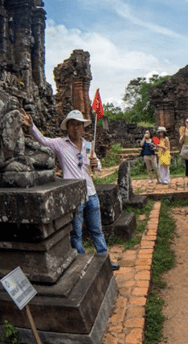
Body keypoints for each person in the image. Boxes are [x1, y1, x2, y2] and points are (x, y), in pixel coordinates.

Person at [21, 109, 119, 271]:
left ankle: (104, 259)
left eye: (79, 125)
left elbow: (97, 165)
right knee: (76, 233)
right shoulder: (61, 144)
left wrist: (96, 164)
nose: (75, 128)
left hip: (91, 192)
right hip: (73, 195)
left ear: (83, 128)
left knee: (97, 230)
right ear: (67, 127)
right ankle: (82, 263)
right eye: (72, 125)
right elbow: (43, 140)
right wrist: (32, 126)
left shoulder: (88, 145)